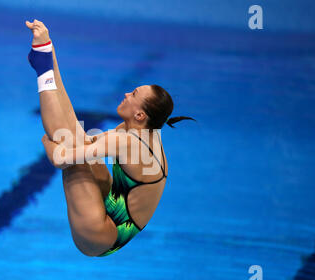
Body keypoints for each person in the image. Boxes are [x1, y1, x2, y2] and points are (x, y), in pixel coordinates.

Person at [25, 19, 195, 257]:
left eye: (133, 94)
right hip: (112, 215)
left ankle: (43, 70)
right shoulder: (140, 131)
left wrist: (46, 141)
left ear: (139, 114)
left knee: (68, 149)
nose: (126, 93)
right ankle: (46, 63)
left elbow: (60, 159)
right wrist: (50, 54)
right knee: (75, 138)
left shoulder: (127, 141)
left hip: (98, 236)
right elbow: (77, 134)